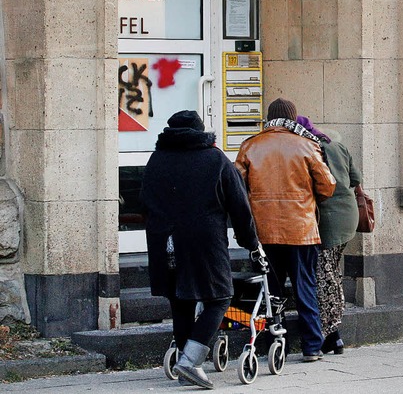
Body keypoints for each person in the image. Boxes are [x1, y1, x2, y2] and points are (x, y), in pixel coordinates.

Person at [141, 110, 264, 389]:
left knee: (179, 299)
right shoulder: (214, 159)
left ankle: (185, 359)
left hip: (164, 240)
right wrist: (251, 243)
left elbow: (144, 201)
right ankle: (190, 361)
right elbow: (239, 207)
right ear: (200, 131)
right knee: (220, 296)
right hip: (204, 241)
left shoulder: (157, 159)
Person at [235, 98, 336, 362]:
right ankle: (312, 345)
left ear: (269, 118)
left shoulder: (250, 146)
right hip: (301, 231)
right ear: (293, 118)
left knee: (270, 290)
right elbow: (327, 186)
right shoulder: (307, 145)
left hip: (264, 232)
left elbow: (237, 189)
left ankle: (272, 341)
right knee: (305, 287)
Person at [296, 116, 362, 355]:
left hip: (329, 220)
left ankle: (330, 334)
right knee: (332, 272)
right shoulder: (336, 145)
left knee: (323, 277)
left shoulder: (311, 149)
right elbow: (356, 179)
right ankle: (334, 334)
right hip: (348, 216)